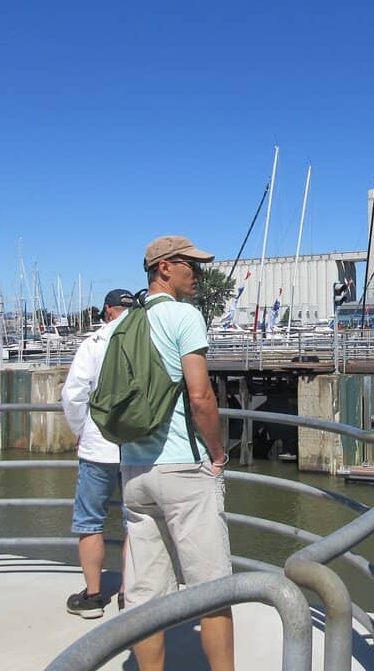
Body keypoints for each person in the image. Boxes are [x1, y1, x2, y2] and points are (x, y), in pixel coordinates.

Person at [121, 236, 234, 671]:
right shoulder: (184, 315)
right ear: (164, 268)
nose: (199, 273)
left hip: (134, 472)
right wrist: (218, 453)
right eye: (191, 264)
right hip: (182, 472)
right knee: (213, 593)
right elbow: (201, 395)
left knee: (146, 596)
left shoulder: (123, 323)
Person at [61, 288, 135, 619]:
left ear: (108, 310)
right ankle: (128, 594)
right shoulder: (145, 341)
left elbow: (74, 394)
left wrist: (81, 430)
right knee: (135, 522)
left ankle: (92, 597)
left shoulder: (93, 343)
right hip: (137, 445)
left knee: (90, 521)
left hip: (97, 445)